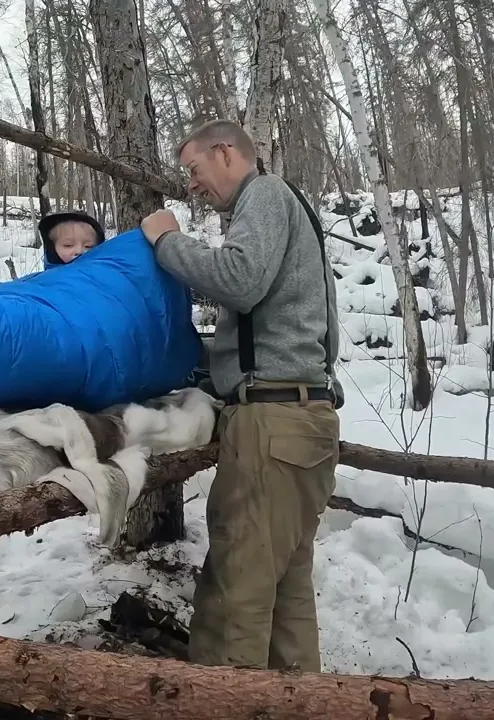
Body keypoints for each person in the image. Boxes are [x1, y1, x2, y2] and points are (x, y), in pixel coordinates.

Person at [138, 119, 342, 673]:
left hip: (273, 426)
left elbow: (240, 279)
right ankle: (300, 704)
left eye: (194, 169)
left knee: (235, 597)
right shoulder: (290, 208)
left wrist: (166, 240)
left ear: (225, 153)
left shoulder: (267, 196)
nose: (192, 184)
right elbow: (316, 320)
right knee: (285, 596)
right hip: (305, 419)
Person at [38, 210, 105, 267]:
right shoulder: (43, 280)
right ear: (52, 248)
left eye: (88, 246)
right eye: (68, 245)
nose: (79, 251)